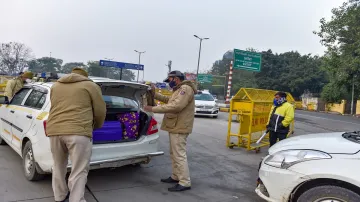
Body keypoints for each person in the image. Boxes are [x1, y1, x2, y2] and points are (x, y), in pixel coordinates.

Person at [46, 68, 106, 202]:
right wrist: (95, 126)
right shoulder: (91, 86)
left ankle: (59, 196)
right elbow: (100, 111)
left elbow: (55, 106)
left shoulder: (56, 85)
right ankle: (76, 199)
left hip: (55, 131)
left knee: (58, 165)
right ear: (85, 76)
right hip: (78, 132)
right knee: (79, 169)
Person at [144, 70, 196, 192]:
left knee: (179, 154)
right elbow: (169, 101)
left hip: (180, 126)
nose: (169, 83)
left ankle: (184, 182)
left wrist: (153, 108)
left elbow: (176, 106)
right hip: (175, 125)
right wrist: (154, 94)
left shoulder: (185, 89)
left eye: (170, 80)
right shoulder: (178, 89)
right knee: (174, 154)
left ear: (176, 79)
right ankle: (176, 176)